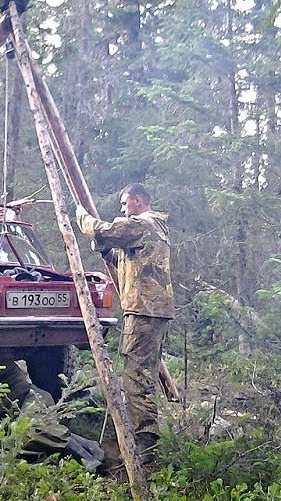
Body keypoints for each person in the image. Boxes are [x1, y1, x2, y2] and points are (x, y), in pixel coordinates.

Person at [75, 183, 174, 461]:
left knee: (136, 373)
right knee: (144, 370)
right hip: (153, 309)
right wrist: (107, 252)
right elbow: (129, 259)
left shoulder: (141, 224)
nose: (122, 209)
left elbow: (100, 230)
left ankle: (145, 440)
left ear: (138, 201)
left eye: (124, 203)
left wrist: (81, 215)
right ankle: (145, 433)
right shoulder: (154, 228)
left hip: (144, 309)